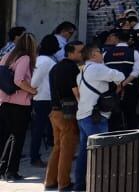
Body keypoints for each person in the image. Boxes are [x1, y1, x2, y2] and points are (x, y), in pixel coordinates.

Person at [74, 44, 126, 192]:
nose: (102, 54)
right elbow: (119, 76)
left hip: (83, 116)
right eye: (99, 51)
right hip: (96, 117)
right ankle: (99, 186)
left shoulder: (81, 71)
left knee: (84, 154)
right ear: (93, 54)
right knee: (100, 152)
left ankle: (80, 186)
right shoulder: (97, 68)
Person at [0, 31, 38, 182]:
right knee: (18, 138)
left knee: (6, 137)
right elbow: (18, 80)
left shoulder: (6, 57)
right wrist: (32, 90)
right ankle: (12, 171)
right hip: (19, 104)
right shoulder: (25, 58)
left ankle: (3, 168)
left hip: (4, 102)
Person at [45, 41, 82, 192]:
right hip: (67, 112)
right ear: (71, 53)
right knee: (67, 149)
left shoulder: (55, 67)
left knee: (58, 147)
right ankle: (64, 183)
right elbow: (75, 90)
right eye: (80, 51)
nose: (82, 54)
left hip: (54, 111)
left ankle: (50, 181)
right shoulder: (71, 67)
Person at [28, 34, 60, 168]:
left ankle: (55, 154)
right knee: (39, 129)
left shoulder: (43, 60)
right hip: (43, 98)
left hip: (44, 98)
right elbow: (34, 82)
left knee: (47, 129)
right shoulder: (45, 61)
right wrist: (32, 91)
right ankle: (34, 157)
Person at [101, 30, 139, 132]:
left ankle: (114, 141)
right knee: (131, 115)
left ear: (117, 39)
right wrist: (123, 83)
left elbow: (103, 71)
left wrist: (117, 84)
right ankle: (132, 140)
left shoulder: (106, 53)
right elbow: (135, 73)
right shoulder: (134, 53)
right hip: (130, 89)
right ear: (129, 40)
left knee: (113, 116)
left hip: (112, 89)